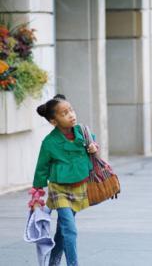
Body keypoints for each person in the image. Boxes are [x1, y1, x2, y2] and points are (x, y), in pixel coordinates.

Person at [29, 94, 98, 266]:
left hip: (78, 187)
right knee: (70, 229)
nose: (71, 115)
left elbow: (93, 146)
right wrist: (36, 197)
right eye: (64, 113)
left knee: (63, 229)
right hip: (59, 189)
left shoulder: (82, 132)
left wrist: (93, 148)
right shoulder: (49, 142)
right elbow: (41, 168)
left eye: (71, 110)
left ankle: (53, 261)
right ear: (54, 121)